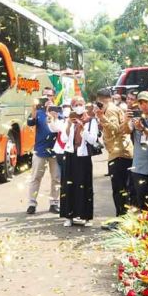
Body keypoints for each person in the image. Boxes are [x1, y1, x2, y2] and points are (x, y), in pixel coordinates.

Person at [59, 96, 99, 227]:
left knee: (84, 184)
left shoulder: (91, 121)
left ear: (84, 105)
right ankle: (69, 216)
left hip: (84, 156)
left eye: (80, 103)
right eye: (75, 104)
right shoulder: (69, 120)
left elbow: (93, 140)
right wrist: (69, 125)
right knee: (68, 185)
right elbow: (64, 139)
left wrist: (83, 129)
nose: (78, 106)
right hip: (70, 155)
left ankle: (86, 217)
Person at [94, 88, 134, 217]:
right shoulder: (111, 108)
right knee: (122, 189)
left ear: (100, 100)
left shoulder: (110, 110)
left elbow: (116, 129)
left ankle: (122, 219)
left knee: (119, 189)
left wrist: (102, 118)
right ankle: (124, 218)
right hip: (120, 152)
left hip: (119, 154)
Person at [26, 88, 61, 215]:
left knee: (56, 178)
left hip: (55, 150)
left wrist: (52, 112)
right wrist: (34, 110)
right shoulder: (38, 112)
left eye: (50, 95)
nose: (47, 98)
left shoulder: (58, 110)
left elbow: (61, 126)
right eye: (45, 96)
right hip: (40, 150)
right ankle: (31, 203)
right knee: (36, 178)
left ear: (54, 97)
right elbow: (30, 123)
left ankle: (54, 203)